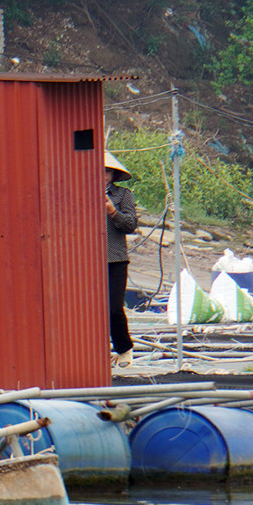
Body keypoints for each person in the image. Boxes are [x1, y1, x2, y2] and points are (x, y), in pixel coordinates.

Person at [105, 152, 138, 368]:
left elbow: (131, 224)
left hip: (115, 258)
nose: (102, 175)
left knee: (114, 307)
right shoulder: (79, 192)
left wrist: (112, 212)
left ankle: (124, 349)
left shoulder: (123, 196)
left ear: (113, 175)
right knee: (89, 309)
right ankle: (99, 350)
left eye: (106, 171)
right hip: (87, 260)